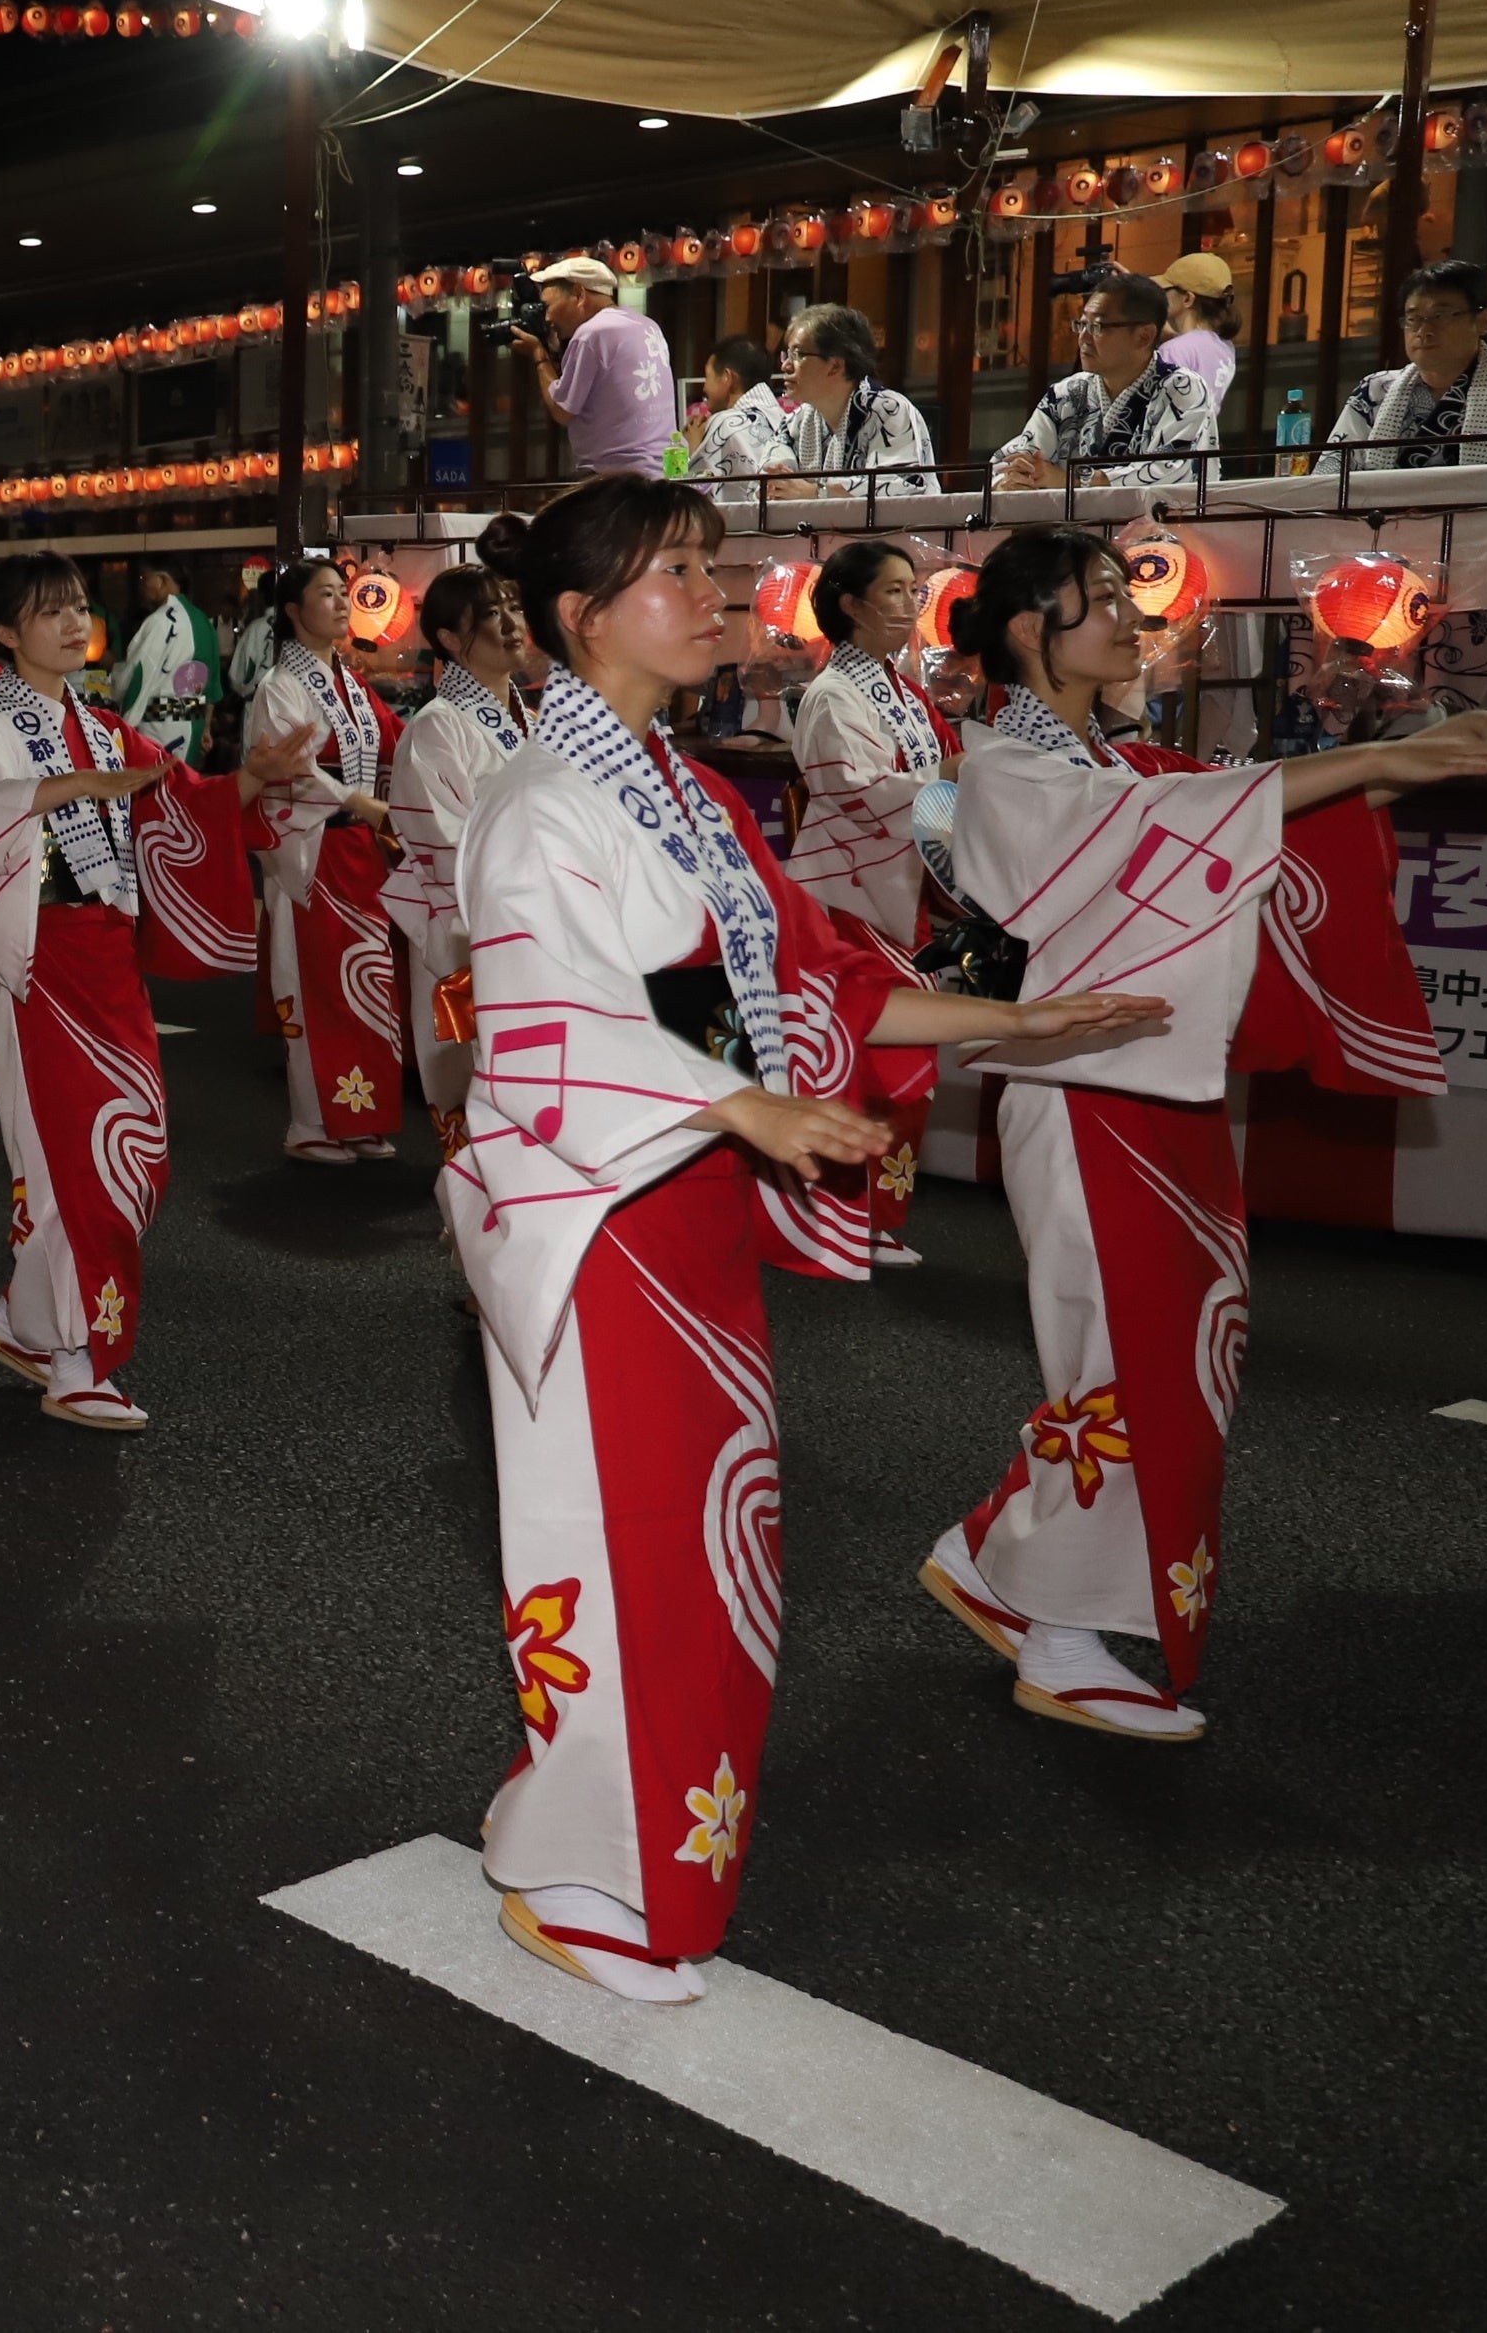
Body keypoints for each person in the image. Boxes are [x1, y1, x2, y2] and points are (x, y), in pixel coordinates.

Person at [445, 478, 1168, 2003]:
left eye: (714, 565)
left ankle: (584, 1830)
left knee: (711, 1548)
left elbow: (814, 974)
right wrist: (735, 1105)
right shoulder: (539, 800)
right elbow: (543, 1029)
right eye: (677, 574)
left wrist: (1012, 1018)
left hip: (678, 1199)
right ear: (580, 620)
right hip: (599, 1214)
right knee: (619, 1547)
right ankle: (582, 1861)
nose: (713, 595)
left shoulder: (678, 790)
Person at [922, 526, 1487, 1740]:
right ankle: (1068, 1630)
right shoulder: (1008, 770)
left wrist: (1410, 763)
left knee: (1181, 1345)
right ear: (1030, 631)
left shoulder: (1101, 760)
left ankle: (1000, 1555)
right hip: (1089, 1093)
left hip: (1148, 1086)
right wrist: (1378, 765)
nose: (1130, 627)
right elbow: (1167, 824)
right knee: (1127, 1362)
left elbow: (1199, 814)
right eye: (1101, 606)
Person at [0, 552, 306, 1431]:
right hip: (36, 964)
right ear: (2, 633)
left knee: (132, 1152)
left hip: (106, 959)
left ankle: (29, 1324)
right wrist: (73, 786)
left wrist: (255, 774)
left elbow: (183, 801)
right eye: (47, 612)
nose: (73, 624)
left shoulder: (106, 728)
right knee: (72, 1160)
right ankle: (72, 1355)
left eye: (77, 608)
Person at [781, 541, 962, 1266]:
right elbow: (851, 793)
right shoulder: (832, 693)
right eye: (890, 591)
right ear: (850, 606)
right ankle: (840, 1213)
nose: (907, 603)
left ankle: (869, 1215)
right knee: (863, 1063)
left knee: (889, 1062)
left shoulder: (897, 687)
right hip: (845, 894)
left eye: (910, 589)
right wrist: (947, 772)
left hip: (894, 886)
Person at [246, 558, 405, 1164]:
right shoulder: (279, 687)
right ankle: (311, 1122)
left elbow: (393, 739)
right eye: (327, 594)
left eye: (345, 594)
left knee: (368, 985)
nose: (342, 604)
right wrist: (353, 799)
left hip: (359, 850)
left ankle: (360, 1117)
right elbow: (289, 771)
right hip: (313, 850)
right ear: (292, 610)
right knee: (315, 984)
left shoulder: (352, 682)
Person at [381, 565, 533, 1166]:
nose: (513, 624)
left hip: (530, 921)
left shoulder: (528, 719)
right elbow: (445, 845)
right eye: (493, 614)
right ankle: (471, 1199)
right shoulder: (436, 728)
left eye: (513, 607)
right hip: (474, 926)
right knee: (472, 1071)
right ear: (449, 638)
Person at [1325, 258, 1487, 465]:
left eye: (1439, 316)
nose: (1423, 330)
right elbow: (1333, 478)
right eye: (1413, 318)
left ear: (1483, 320)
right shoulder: (1375, 390)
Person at [994, 270, 1225, 489]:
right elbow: (1016, 456)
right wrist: (1014, 478)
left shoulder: (1182, 388)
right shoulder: (1069, 392)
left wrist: (1072, 481)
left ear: (1143, 336)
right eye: (1082, 324)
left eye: (1097, 327)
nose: (1083, 337)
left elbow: (1173, 471)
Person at [511, 255, 675, 479]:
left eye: (548, 305)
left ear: (579, 294)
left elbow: (561, 409)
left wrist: (539, 354)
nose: (547, 317)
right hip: (665, 472)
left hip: (619, 479)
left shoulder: (592, 334)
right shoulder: (647, 325)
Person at [771, 304, 941, 500]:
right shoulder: (796, 422)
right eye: (787, 354)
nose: (785, 365)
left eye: (798, 354)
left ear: (835, 366)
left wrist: (816, 493)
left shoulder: (889, 410)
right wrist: (776, 482)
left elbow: (902, 486)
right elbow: (768, 475)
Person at [109, 563, 226, 764]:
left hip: (159, 724)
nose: (143, 587)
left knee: (159, 788)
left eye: (145, 580)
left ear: (162, 580)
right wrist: (206, 727)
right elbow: (213, 683)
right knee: (183, 788)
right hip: (194, 721)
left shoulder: (159, 620)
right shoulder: (203, 621)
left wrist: (116, 686)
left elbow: (136, 674)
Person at [683, 334, 790, 481]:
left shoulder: (724, 423)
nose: (704, 388)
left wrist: (693, 448)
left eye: (708, 377)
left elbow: (699, 493)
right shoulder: (786, 418)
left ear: (728, 378)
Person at [1151, 251, 1240, 416]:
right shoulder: (1225, 346)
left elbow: (1161, 415)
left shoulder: (1172, 351)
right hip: (1204, 439)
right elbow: (1195, 348)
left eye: (1167, 289)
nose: (1161, 295)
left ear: (1188, 299)